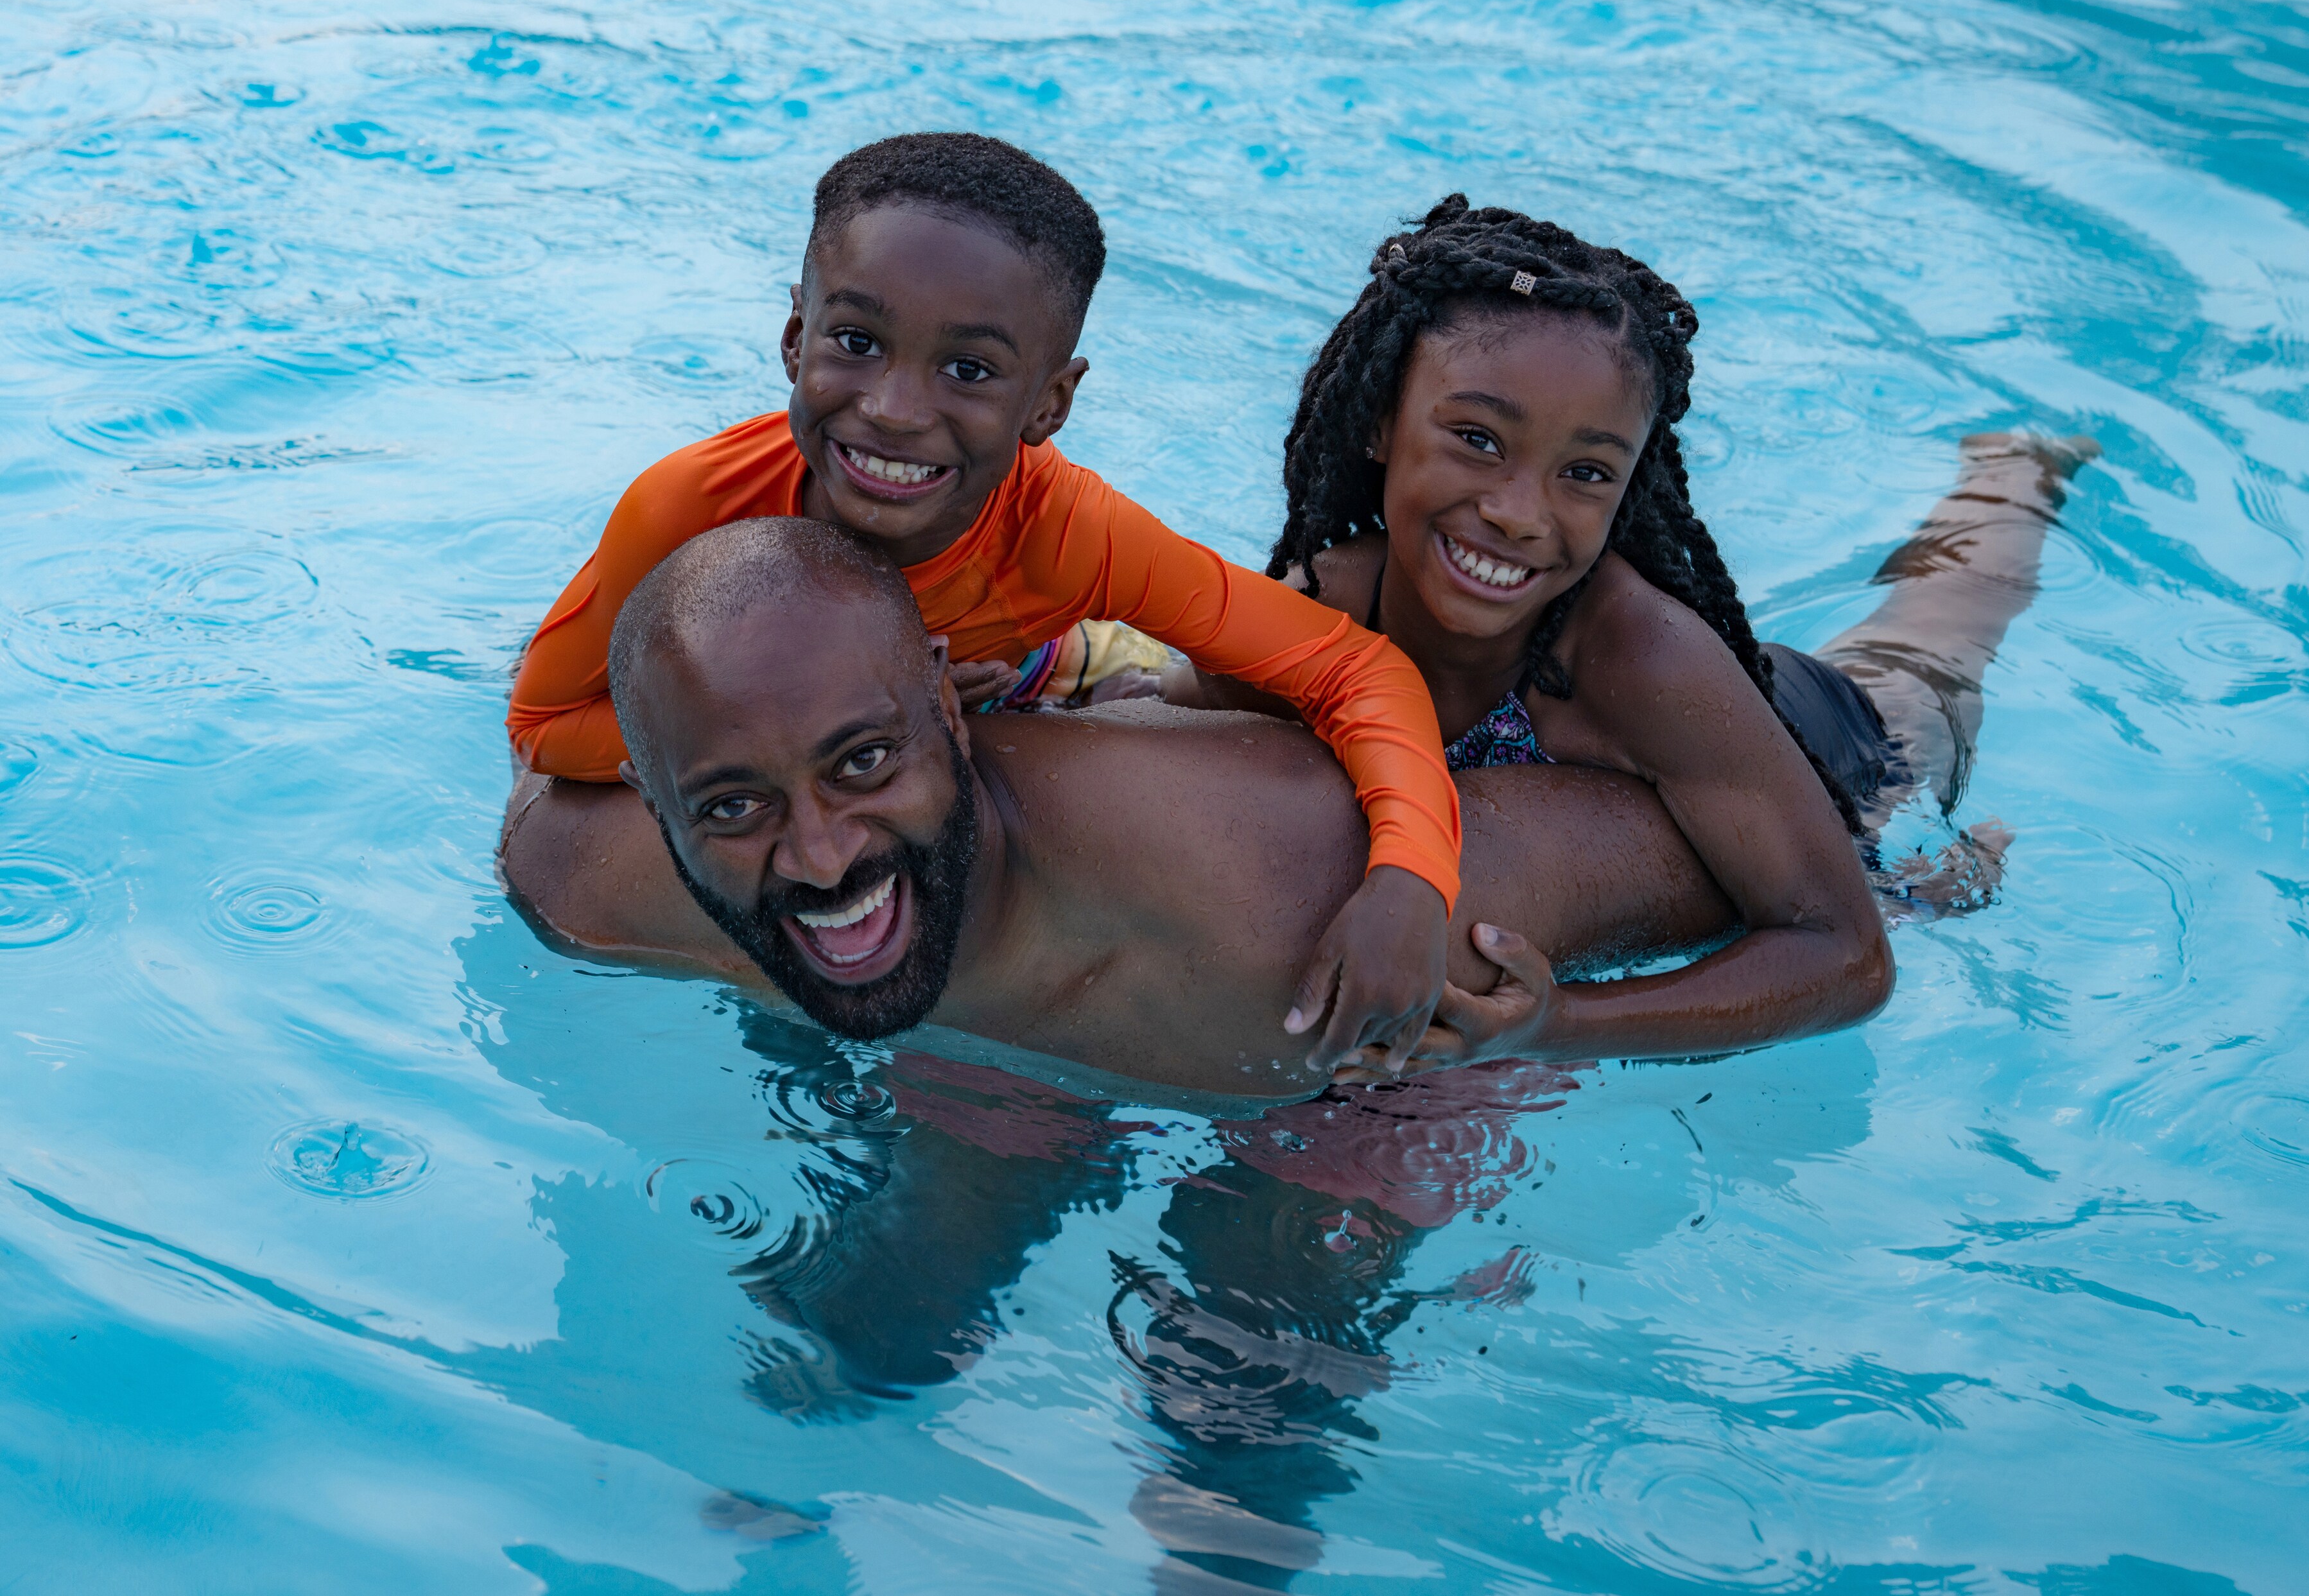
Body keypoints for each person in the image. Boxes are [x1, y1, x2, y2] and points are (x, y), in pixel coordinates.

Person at [505, 133, 1462, 1074]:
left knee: (1182, 693)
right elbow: (545, 722)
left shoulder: (1068, 533)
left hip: (1038, 671)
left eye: (967, 370)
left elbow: (1351, 664)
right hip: (938, 701)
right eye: (855, 340)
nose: (892, 408)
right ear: (795, 335)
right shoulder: (690, 509)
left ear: (1049, 404)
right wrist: (754, 750)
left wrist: (1412, 875)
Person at [1163, 198, 2094, 1082]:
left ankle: (2016, 477)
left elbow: (1849, 959)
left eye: (1584, 471)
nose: (1519, 513)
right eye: (1477, 438)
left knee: (1932, 645)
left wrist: (1555, 1023)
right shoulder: (1320, 607)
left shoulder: (1636, 656)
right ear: (1378, 422)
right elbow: (1180, 704)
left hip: (1832, 740)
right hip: (1706, 731)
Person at [497, 516, 1888, 1103]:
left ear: (948, 703)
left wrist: (1560, 1025)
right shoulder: (593, 879)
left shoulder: (1290, 907)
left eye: (864, 763)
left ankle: (2003, 498)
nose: (814, 853)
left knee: (1926, 659)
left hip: (1790, 743)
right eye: (731, 801)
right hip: (1293, 700)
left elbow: (1790, 911)